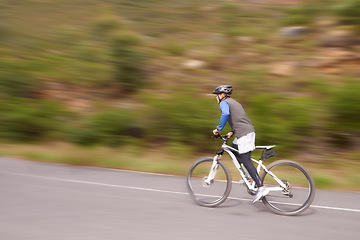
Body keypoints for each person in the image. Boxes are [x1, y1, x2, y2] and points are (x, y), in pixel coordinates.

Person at [212, 85, 269, 203]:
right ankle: (248, 178)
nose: (216, 98)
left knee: (245, 159)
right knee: (234, 150)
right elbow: (240, 119)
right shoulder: (236, 103)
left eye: (216, 95)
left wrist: (218, 129)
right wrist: (232, 132)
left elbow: (225, 114)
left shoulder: (224, 103)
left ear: (222, 95)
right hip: (244, 132)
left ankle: (261, 187)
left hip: (244, 133)